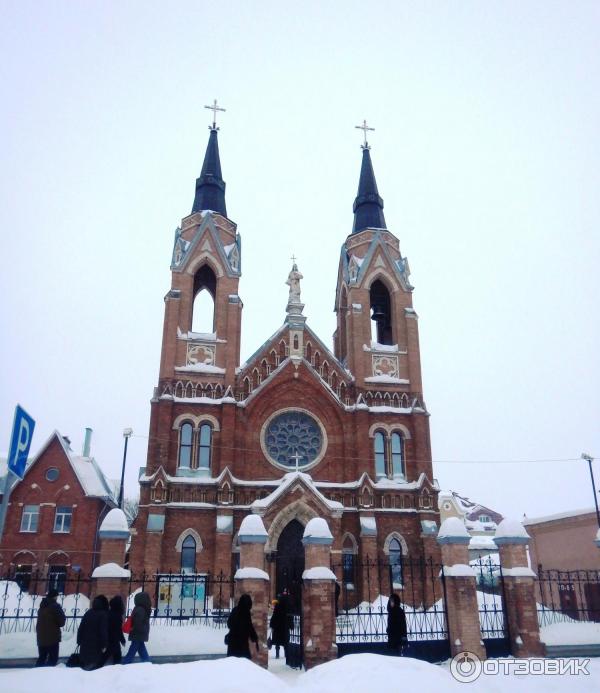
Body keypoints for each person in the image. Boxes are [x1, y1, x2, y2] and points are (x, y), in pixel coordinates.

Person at [77, 594, 109, 670]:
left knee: (86, 666)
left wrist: (79, 640)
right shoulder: (103, 615)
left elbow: (81, 628)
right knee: (93, 667)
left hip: (85, 644)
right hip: (96, 645)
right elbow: (103, 631)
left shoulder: (88, 613)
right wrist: (104, 644)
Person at [35, 588, 66, 667]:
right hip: (52, 638)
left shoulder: (42, 606)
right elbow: (62, 622)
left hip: (41, 637)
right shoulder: (55, 607)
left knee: (42, 658)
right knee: (53, 659)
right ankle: (48, 676)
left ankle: (36, 675)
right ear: (55, 597)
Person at [226, 593, 258, 659]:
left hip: (233, 642)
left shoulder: (235, 610)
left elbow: (229, 623)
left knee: (232, 662)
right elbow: (249, 626)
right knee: (244, 662)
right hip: (242, 643)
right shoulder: (246, 613)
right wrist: (254, 637)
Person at [122, 591, 152, 664]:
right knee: (140, 647)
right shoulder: (145, 608)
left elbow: (138, 621)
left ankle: (127, 661)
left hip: (137, 631)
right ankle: (146, 661)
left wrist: (133, 628)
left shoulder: (139, 609)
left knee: (133, 647)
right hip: (141, 631)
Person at [101, 595, 126, 665]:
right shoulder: (118, 616)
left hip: (109, 638)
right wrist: (122, 640)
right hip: (114, 640)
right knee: (116, 657)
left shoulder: (108, 613)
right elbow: (119, 630)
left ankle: (98, 666)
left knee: (107, 655)